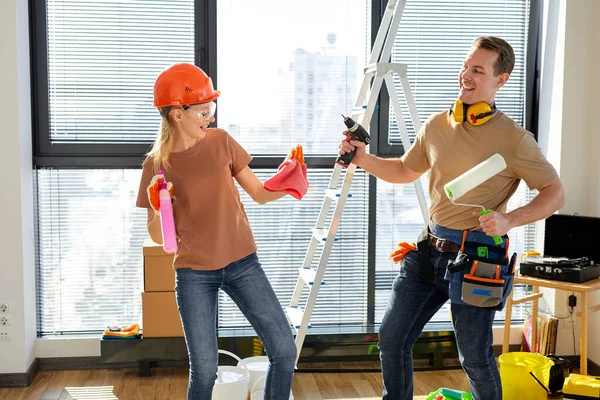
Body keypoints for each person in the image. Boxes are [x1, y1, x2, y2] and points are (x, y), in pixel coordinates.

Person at [338, 36, 565, 400]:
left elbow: (555, 192)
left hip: (476, 260)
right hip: (428, 251)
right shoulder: (437, 125)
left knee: (474, 358)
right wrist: (363, 158)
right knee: (392, 339)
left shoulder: (515, 139)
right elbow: (402, 170)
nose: (466, 75)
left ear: (501, 80)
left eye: (478, 70)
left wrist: (509, 221)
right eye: (465, 66)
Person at [136, 62, 301, 400]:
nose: (209, 116)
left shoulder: (222, 142)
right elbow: (160, 238)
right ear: (177, 113)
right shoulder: (156, 164)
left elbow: (258, 194)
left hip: (242, 263)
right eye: (203, 110)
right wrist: (157, 206)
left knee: (284, 350)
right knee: (205, 371)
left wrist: (289, 176)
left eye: (211, 108)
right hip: (194, 273)